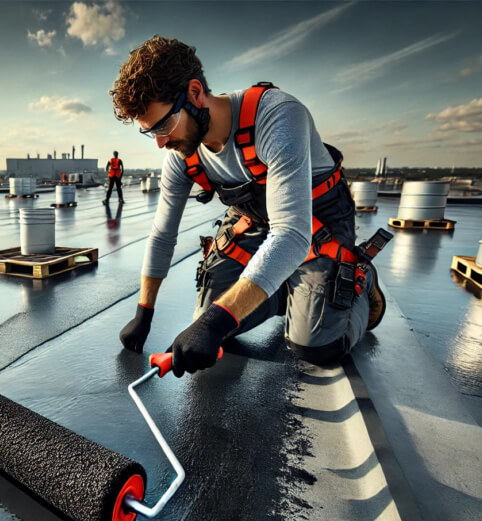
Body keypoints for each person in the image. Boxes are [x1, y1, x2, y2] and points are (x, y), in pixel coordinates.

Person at [109, 36, 388, 375]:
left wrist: (215, 324)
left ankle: (361, 282)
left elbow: (292, 235)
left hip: (315, 222)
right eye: (149, 131)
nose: (161, 142)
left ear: (195, 94)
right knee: (206, 320)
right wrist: (143, 314)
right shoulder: (182, 153)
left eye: (164, 125)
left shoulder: (277, 116)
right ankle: (281, 289)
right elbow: (162, 235)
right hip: (255, 221)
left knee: (315, 346)